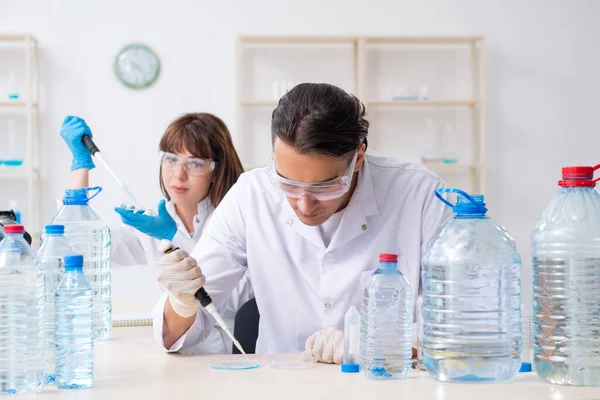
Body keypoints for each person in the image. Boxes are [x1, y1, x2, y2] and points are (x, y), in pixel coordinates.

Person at [152, 83, 452, 363]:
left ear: (358, 157)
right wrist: (181, 303)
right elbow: (179, 333)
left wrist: (373, 344)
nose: (305, 205)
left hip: (386, 385)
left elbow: (457, 326)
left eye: (325, 186)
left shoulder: (421, 196)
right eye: (288, 184)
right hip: (282, 385)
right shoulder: (251, 194)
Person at [59, 113, 254, 355]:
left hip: (230, 359)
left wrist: (175, 237)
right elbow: (81, 246)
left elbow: (235, 299)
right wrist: (80, 165)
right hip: (177, 355)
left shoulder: (236, 220)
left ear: (215, 171)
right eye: (171, 159)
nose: (178, 174)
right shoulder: (152, 222)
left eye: (194, 163)